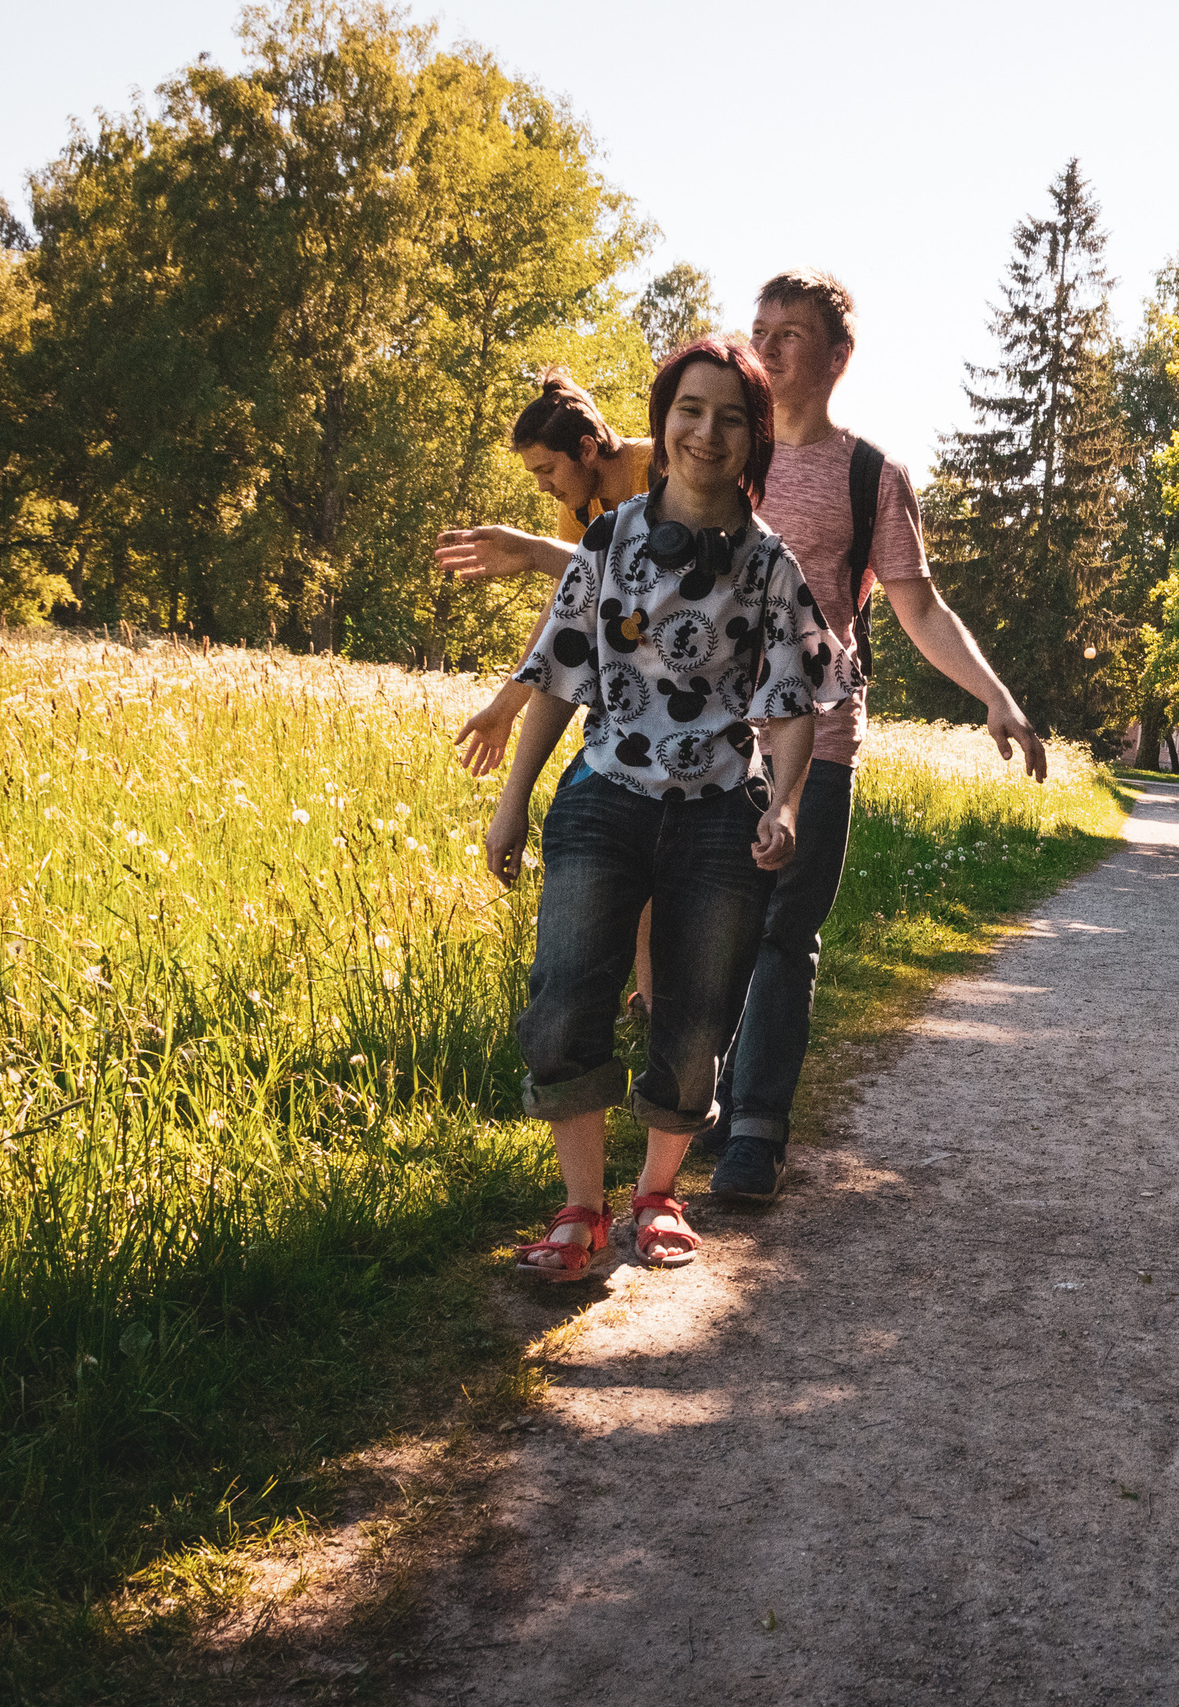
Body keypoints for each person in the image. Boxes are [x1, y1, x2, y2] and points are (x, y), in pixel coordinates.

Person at [486, 336, 858, 1280]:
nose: (706, 432)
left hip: (718, 813)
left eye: (731, 417)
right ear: (663, 422)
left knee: (696, 1022)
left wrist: (784, 807)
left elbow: (792, 705)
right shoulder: (608, 540)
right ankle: (580, 1210)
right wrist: (513, 801)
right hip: (603, 796)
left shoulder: (771, 566)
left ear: (754, 439)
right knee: (564, 1000)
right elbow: (559, 675)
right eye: (690, 410)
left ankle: (657, 1194)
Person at [704, 269, 1047, 1200]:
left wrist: (995, 694)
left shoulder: (871, 476)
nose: (766, 348)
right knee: (717, 927)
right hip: (708, 736)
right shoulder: (718, 451)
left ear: (838, 356)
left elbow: (920, 608)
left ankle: (755, 1134)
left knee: (784, 931)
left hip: (818, 737)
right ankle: (707, 1099)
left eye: (789, 333)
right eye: (758, 329)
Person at [439, 372, 655, 777]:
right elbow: (563, 608)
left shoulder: (658, 469)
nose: (542, 486)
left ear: (586, 449)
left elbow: (659, 577)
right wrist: (504, 707)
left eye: (547, 469)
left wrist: (535, 552)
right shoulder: (579, 506)